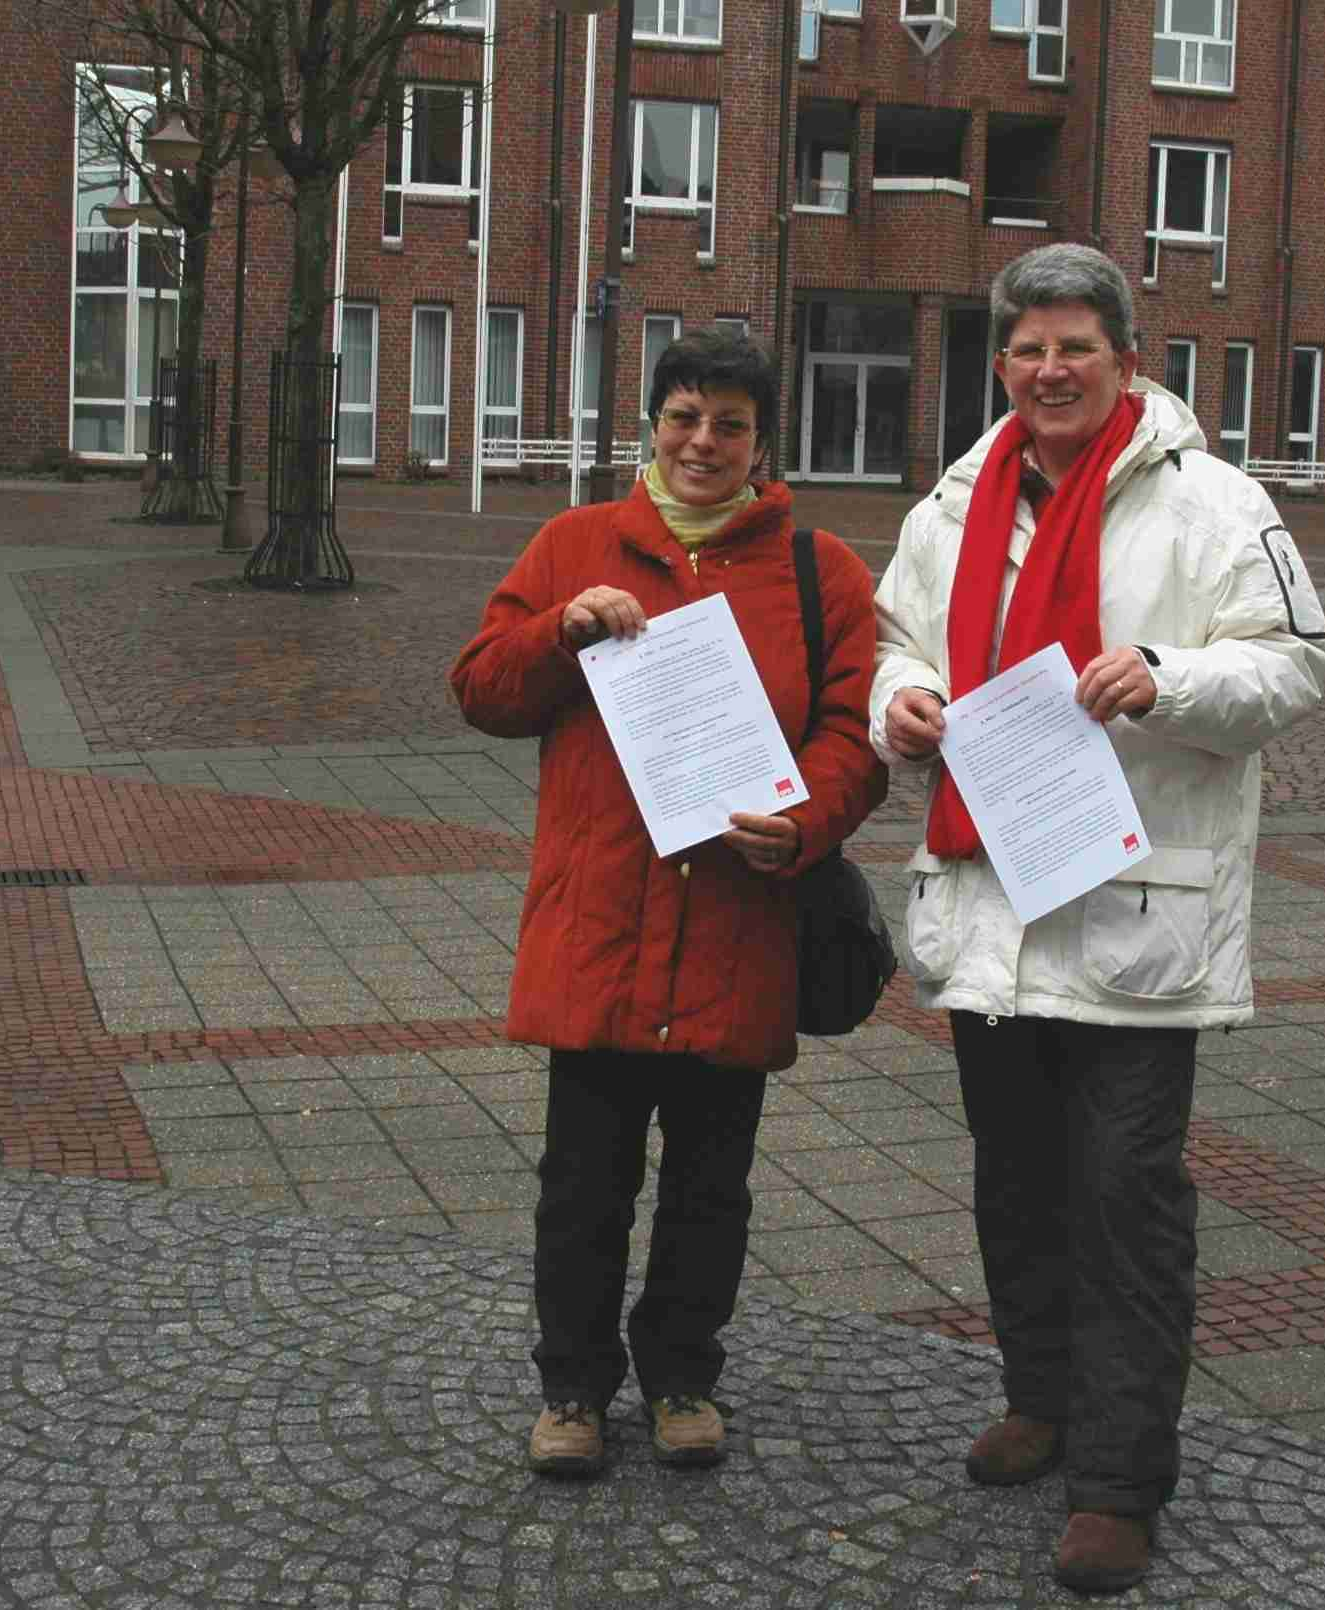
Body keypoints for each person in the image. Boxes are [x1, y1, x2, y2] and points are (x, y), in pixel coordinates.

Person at [869, 244, 1325, 1594]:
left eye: (1075, 346)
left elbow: (1298, 661)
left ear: (1128, 359)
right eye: (1026, 348)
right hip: (992, 908)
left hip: (1136, 917)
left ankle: (1122, 1478)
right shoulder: (955, 502)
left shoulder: (1213, 504)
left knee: (1125, 1196)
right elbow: (901, 642)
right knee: (1015, 1180)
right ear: (1000, 360)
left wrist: (1169, 675)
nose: (1049, 369)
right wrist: (895, 701)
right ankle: (1044, 1396)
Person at [450, 328, 885, 1480]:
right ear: (652, 422)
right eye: (685, 416)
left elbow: (854, 731)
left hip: (738, 927)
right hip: (601, 923)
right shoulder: (573, 543)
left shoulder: (818, 568)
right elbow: (481, 691)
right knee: (580, 1185)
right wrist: (560, 630)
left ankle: (683, 1369)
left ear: (760, 442)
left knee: (711, 1184)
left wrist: (805, 822)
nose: (703, 442)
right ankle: (574, 1389)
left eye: (730, 424)